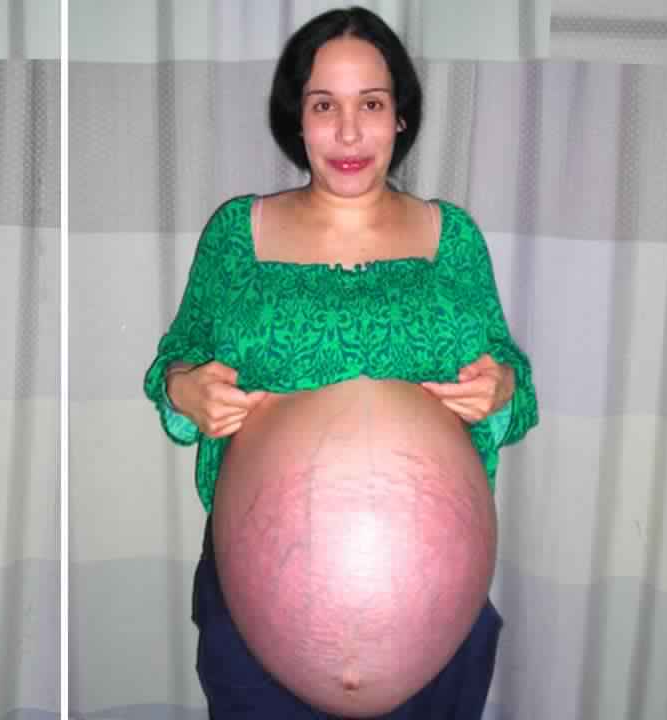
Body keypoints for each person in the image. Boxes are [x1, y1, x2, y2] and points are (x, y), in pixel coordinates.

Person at [143, 7, 538, 719]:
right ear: (297, 119)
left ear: (400, 118)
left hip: (437, 625)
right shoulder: (238, 232)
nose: (349, 133)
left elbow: (514, 379)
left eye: (372, 105)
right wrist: (183, 389)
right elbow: (177, 358)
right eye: (325, 105)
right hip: (256, 622)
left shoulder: (452, 237)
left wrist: (503, 386)